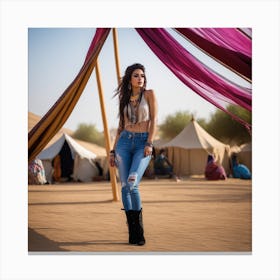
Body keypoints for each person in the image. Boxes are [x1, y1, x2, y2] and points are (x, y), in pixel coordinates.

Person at [109, 63, 158, 246]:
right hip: (123, 143)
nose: (140, 79)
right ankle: (133, 233)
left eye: (142, 76)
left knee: (132, 182)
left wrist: (149, 143)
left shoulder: (149, 94)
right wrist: (113, 151)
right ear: (130, 79)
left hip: (142, 143)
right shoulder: (124, 99)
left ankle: (140, 231)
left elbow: (154, 120)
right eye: (136, 75)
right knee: (124, 187)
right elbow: (121, 127)